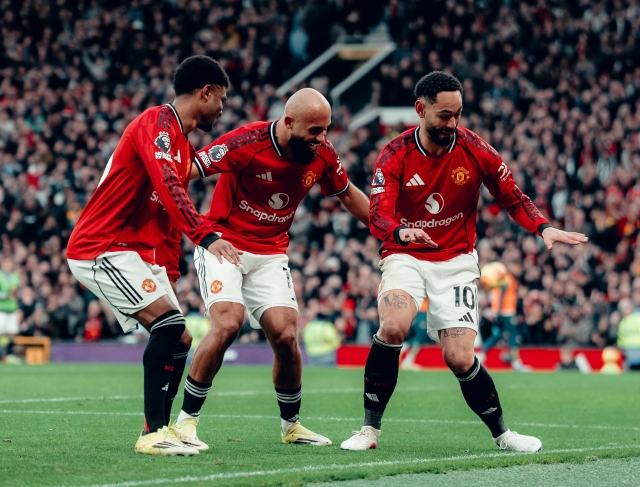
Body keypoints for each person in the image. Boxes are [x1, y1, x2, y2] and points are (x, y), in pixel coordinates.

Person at [340, 71, 588, 452]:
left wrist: (543, 227)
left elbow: (512, 196)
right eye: (444, 115)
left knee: (459, 357)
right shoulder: (394, 154)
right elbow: (377, 214)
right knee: (393, 326)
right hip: (405, 254)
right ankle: (369, 430)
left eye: (457, 114)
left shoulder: (476, 149)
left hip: (456, 260)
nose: (452, 123)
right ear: (420, 109)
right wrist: (402, 232)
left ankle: (503, 435)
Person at [171, 88, 370, 448]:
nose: (322, 138)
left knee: (286, 335)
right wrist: (191, 227)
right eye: (314, 130)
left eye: (326, 129)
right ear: (289, 122)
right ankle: (185, 423)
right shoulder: (246, 141)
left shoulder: (322, 154)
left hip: (271, 252)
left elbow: (347, 194)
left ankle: (291, 426)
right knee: (227, 324)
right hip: (224, 243)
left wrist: (389, 231)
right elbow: (187, 170)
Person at [67, 55, 241, 456]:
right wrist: (206, 235)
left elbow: (166, 218)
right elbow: (167, 187)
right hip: (102, 245)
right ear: (206, 92)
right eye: (221, 98)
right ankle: (152, 433)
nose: (222, 108)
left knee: (181, 335)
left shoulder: (182, 145)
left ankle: (166, 431)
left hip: (136, 251)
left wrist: (170, 275)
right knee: (168, 325)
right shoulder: (157, 124)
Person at [478, 262, 529, 372]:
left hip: (501, 311)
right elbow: (502, 295)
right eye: (518, 267)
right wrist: (499, 313)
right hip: (507, 312)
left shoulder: (500, 278)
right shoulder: (507, 278)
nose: (519, 270)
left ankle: (480, 357)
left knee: (497, 336)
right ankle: (516, 363)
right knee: (513, 336)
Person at [0, 258, 21, 361]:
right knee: (0, 332)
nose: (8, 267)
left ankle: (9, 354)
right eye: (6, 265)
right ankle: (1, 354)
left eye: (9, 265)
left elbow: (18, 290)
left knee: (12, 332)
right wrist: (2, 295)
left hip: (12, 308)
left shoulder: (15, 276)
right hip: (2, 309)